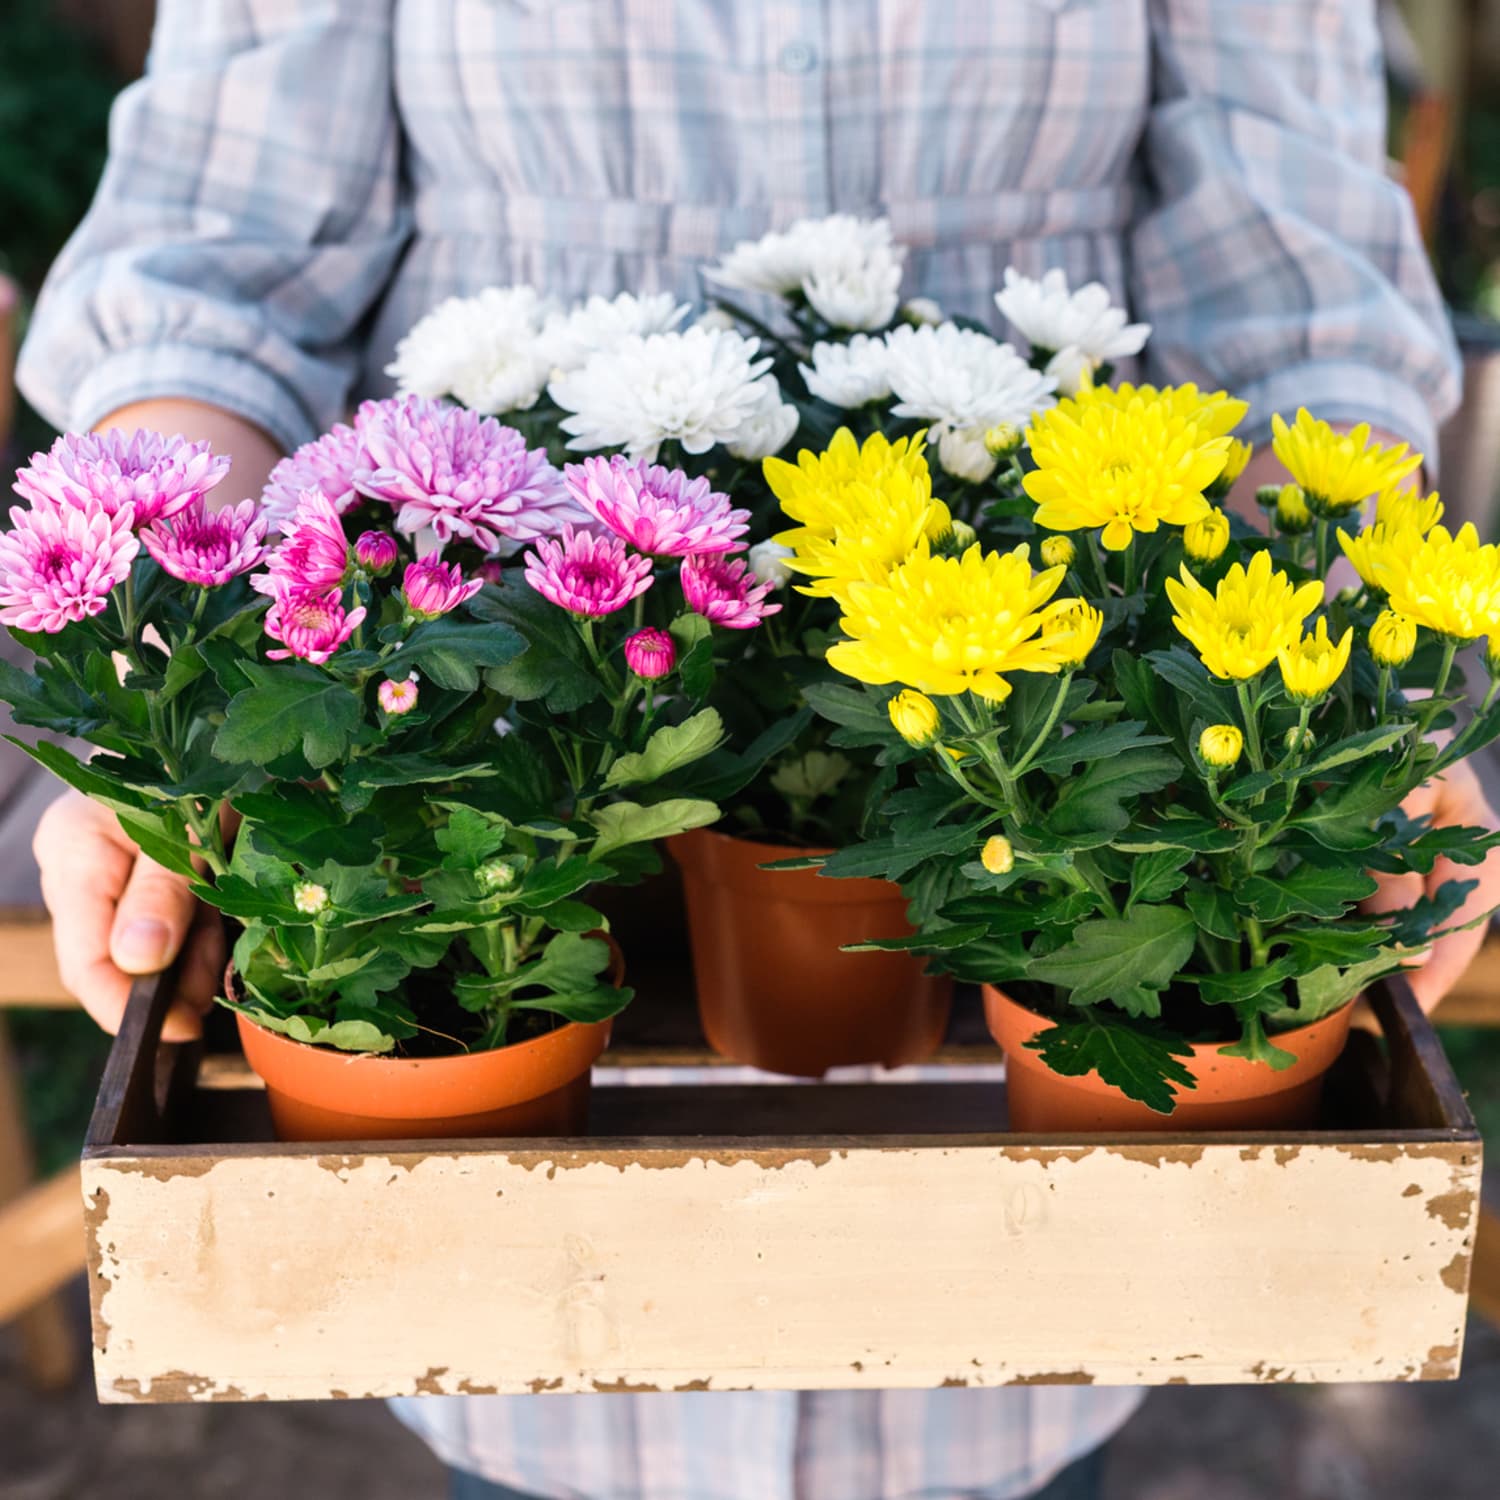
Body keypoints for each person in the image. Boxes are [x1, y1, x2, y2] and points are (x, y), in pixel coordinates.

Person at [15, 4, 1498, 1498]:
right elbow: (211, 281)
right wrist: (169, 686)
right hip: (491, 753)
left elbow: (1299, 317)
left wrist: (1357, 697)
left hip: (1020, 858)